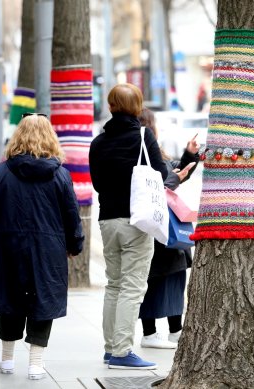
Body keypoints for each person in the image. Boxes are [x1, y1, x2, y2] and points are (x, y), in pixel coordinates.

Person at [0, 113, 84, 380]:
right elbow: (72, 215)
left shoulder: (0, 171)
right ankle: (36, 364)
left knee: (11, 298)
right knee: (43, 299)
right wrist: (75, 245)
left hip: (9, 245)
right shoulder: (60, 175)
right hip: (49, 247)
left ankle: (7, 359)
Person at [89, 84, 168, 370]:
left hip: (108, 220)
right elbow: (160, 173)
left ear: (110, 106)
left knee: (114, 284)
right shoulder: (144, 136)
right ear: (137, 107)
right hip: (137, 219)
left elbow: (97, 183)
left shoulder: (98, 142)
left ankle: (111, 348)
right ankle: (122, 352)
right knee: (133, 287)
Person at [137, 107, 199, 349]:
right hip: (156, 226)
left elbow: (173, 171)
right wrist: (176, 176)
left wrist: (188, 156)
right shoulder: (144, 153)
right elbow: (164, 182)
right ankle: (152, 333)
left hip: (158, 226)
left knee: (168, 273)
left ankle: (173, 330)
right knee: (160, 275)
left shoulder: (150, 151)